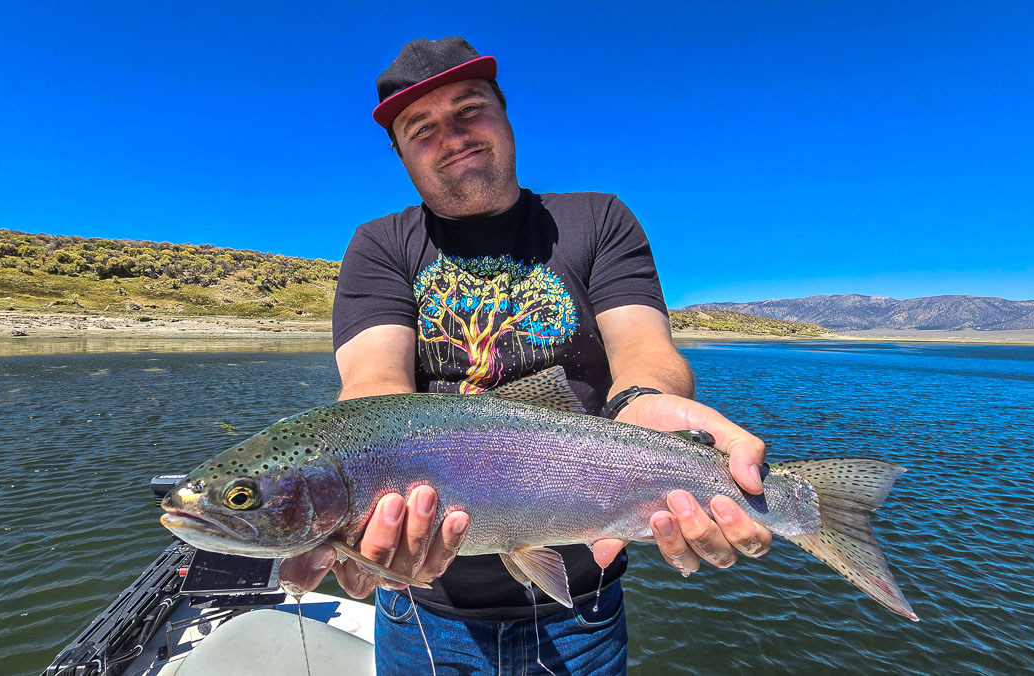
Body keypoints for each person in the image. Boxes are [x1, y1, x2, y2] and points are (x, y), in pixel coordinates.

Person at [280, 37, 773, 674]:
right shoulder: (380, 245)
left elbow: (645, 351)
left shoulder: (598, 220)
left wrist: (644, 401)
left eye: (468, 110)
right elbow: (373, 385)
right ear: (400, 153)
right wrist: (350, 494)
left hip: (583, 613)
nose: (451, 136)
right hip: (424, 612)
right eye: (421, 128)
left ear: (505, 114)